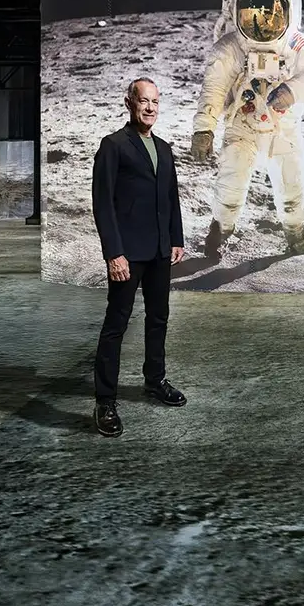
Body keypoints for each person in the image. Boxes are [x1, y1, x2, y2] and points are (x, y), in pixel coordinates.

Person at [189, 0, 304, 258]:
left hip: (282, 128)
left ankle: (295, 232)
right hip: (243, 124)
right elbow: (213, 90)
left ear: (286, 10)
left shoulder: (296, 44)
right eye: (252, 14)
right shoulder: (230, 48)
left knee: (291, 184)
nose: (263, 23)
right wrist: (204, 129)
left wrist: (291, 91)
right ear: (237, 10)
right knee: (231, 179)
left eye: (272, 14)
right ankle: (221, 229)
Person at [90, 76, 187, 437]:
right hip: (128, 255)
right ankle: (105, 400)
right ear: (129, 102)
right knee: (116, 325)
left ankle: (154, 379)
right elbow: (103, 204)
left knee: (158, 318)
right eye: (144, 101)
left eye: (156, 102)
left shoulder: (163, 148)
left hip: (161, 251)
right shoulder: (113, 146)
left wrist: (176, 238)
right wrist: (114, 253)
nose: (150, 108)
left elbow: (171, 198)